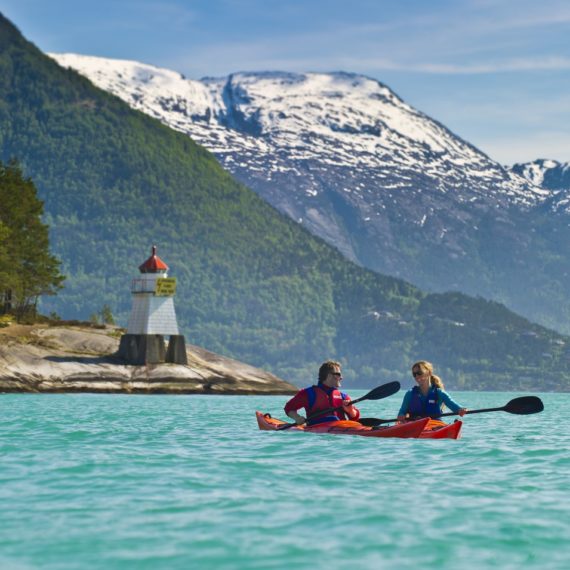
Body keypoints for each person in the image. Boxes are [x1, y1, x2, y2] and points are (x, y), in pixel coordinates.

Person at [284, 360, 360, 426]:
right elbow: (289, 408)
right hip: (318, 431)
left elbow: (354, 418)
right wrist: (297, 418)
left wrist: (350, 411)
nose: (341, 377)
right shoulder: (308, 394)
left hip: (342, 430)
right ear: (329, 375)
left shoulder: (343, 397)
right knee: (333, 419)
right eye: (338, 374)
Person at [397, 360, 467, 421]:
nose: (417, 376)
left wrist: (461, 410)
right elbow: (401, 412)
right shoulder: (409, 394)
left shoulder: (439, 393)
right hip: (413, 426)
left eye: (419, 373)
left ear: (429, 373)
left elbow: (455, 407)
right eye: (414, 374)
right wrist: (401, 416)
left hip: (434, 426)